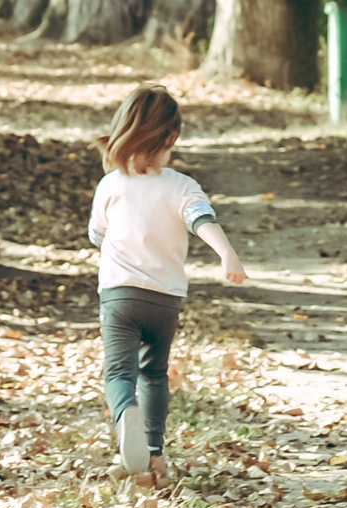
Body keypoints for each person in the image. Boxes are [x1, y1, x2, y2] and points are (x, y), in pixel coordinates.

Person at [87, 85, 247, 485]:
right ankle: (154, 454)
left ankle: (126, 416)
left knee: (119, 373)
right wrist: (227, 254)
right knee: (155, 374)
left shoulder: (111, 185)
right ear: (172, 137)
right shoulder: (183, 186)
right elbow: (201, 221)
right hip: (165, 300)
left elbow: (96, 234)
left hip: (120, 296)